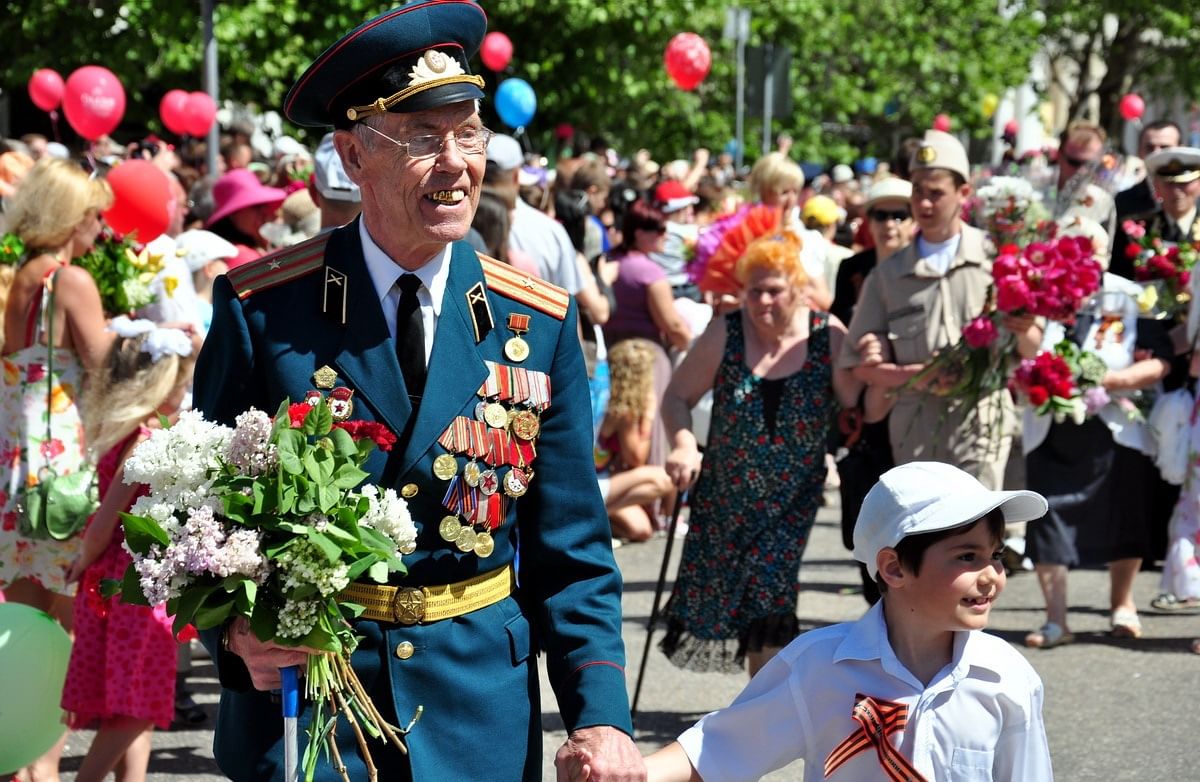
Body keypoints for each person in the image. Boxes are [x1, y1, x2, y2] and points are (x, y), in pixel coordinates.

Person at [191, 3, 641, 780]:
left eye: (469, 135)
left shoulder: (533, 322)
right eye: (424, 139)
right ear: (353, 155)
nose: (457, 162)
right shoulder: (265, 310)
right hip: (312, 715)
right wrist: (234, 635)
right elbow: (195, 512)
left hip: (475, 721)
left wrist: (601, 719)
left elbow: (571, 551)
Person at [643, 462, 1053, 782]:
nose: (992, 576)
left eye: (995, 555)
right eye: (968, 557)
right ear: (893, 568)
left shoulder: (1006, 676)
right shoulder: (817, 666)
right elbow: (716, 751)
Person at [659, 231, 856, 677]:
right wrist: (685, 444)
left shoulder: (829, 336)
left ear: (799, 289)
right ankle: (761, 705)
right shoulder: (725, 333)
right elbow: (676, 396)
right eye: (754, 291)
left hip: (791, 499)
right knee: (739, 599)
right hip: (726, 496)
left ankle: (766, 704)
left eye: (774, 291)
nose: (763, 301)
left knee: (771, 591)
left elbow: (855, 403)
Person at [839, 130, 1041, 490]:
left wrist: (1024, 328)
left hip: (981, 420)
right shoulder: (887, 275)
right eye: (918, 191)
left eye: (936, 193)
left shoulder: (997, 259)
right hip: (917, 431)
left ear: (964, 194)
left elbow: (1032, 349)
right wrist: (918, 374)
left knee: (977, 531)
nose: (924, 204)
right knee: (928, 536)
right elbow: (859, 366)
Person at [0, 157, 115, 782]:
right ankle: (43, 765)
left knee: (19, 624)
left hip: (14, 473)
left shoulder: (18, 279)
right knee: (66, 637)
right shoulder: (69, 281)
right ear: (71, 217)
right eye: (95, 214)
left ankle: (15, 758)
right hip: (63, 472)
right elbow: (104, 365)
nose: (101, 228)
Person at [61, 320, 198, 782]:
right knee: (139, 701)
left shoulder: (129, 431)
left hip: (122, 575)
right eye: (182, 383)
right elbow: (107, 518)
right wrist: (81, 558)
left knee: (133, 699)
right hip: (137, 579)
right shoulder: (147, 441)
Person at [595, 338, 675, 542]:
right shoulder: (623, 411)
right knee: (664, 479)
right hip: (592, 483)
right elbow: (636, 458)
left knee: (641, 530)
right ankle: (584, 518)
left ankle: (588, 519)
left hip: (597, 480)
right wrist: (648, 417)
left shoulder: (606, 397)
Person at [204, 167, 287, 268]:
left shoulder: (253, 247)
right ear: (233, 215)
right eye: (256, 206)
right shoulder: (241, 256)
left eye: (264, 204)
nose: (265, 211)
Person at [1115, 120, 1182, 220]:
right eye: (1150, 148)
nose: (1156, 154)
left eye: (1165, 147)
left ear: (1181, 150)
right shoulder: (1123, 201)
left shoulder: (1195, 197)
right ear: (1139, 152)